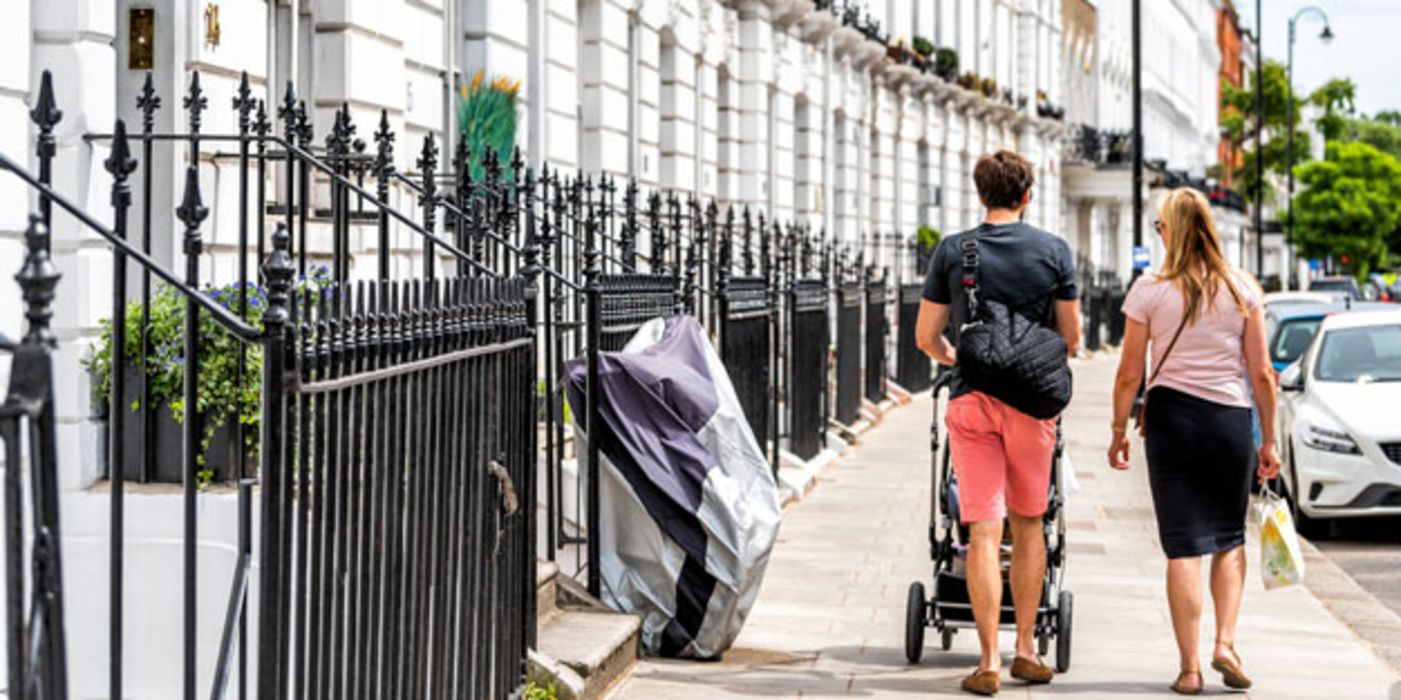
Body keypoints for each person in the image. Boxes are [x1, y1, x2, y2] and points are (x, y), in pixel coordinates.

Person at [916, 150, 1081, 696]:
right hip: (1033, 405)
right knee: (1030, 522)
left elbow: (926, 336)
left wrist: (956, 358)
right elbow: (1071, 338)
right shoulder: (1054, 252)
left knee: (982, 528)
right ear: (1027, 194)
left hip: (972, 400)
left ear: (980, 193)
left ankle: (986, 660)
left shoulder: (953, 250)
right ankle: (1027, 649)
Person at [1107, 187, 1280, 695]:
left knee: (1183, 545)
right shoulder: (1242, 288)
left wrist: (1118, 430)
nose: (1158, 235)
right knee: (1229, 537)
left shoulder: (1150, 289)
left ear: (1173, 232)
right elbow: (1263, 372)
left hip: (1171, 420)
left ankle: (1189, 669)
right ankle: (1225, 642)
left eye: (1161, 227)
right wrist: (1268, 440)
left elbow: (1127, 373)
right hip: (1229, 419)